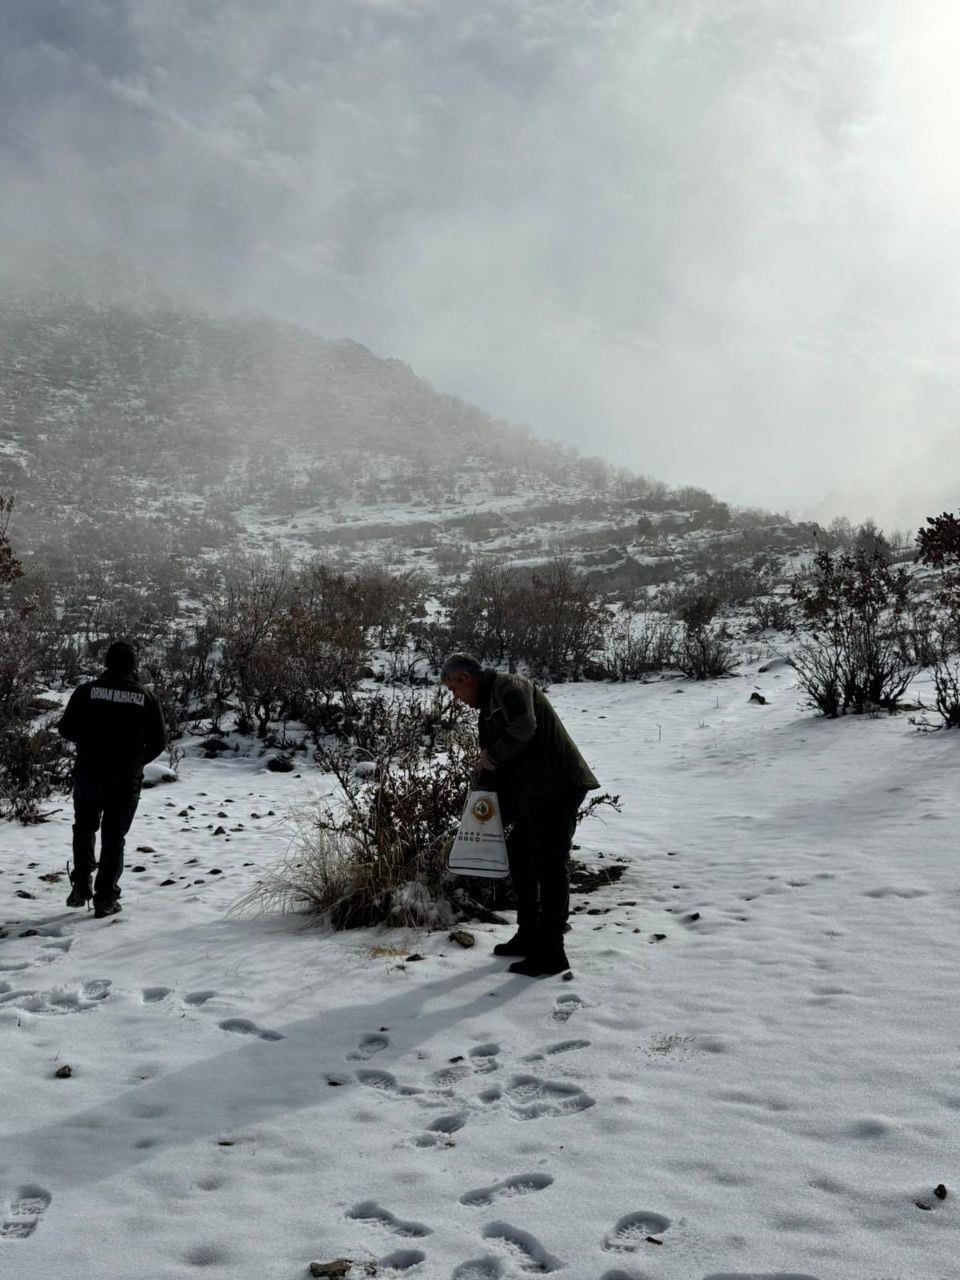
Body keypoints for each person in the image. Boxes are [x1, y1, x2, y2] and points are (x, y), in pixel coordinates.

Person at [441, 654, 600, 977]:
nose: (455, 698)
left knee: (550, 866)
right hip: (535, 791)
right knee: (519, 855)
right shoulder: (490, 702)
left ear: (466, 677)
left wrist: (493, 758)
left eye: (454, 689)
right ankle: (529, 935)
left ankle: (552, 952)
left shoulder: (509, 686)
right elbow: (500, 760)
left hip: (557, 786)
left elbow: (525, 727)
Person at [58, 641, 166, 918]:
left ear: (106, 662)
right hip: (124, 778)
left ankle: (81, 885)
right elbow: (159, 742)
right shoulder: (145, 697)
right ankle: (105, 899)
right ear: (133, 665)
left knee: (84, 828)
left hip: (89, 773)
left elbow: (66, 729)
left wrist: (89, 740)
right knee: (113, 837)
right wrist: (136, 762)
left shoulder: (86, 692)